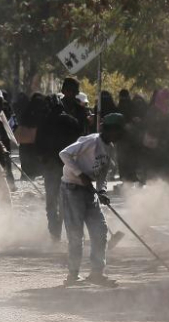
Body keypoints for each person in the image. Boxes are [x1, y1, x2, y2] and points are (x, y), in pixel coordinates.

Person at [60, 113, 125, 287]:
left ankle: (97, 273)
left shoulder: (110, 148)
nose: (119, 136)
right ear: (110, 130)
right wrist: (80, 175)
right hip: (72, 188)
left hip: (90, 192)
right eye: (118, 131)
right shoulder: (91, 141)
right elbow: (64, 154)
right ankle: (73, 275)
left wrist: (102, 190)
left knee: (100, 230)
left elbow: (103, 173)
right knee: (76, 234)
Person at [36, 94, 82, 242]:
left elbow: (38, 146)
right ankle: (64, 228)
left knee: (51, 200)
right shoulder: (72, 121)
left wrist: (43, 159)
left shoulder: (44, 122)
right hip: (67, 166)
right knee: (66, 200)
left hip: (50, 166)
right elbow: (79, 144)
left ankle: (54, 231)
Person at [143, 89, 169, 183]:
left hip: (167, 144)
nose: (167, 101)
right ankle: (154, 188)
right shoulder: (153, 110)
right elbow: (148, 125)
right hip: (155, 144)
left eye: (168, 99)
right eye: (166, 98)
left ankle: (167, 188)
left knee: (167, 167)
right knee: (155, 166)